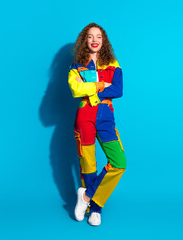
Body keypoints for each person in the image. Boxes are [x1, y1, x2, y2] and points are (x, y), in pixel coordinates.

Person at [67, 23, 126, 226]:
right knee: (88, 164)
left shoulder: (112, 63)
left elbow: (118, 90)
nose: (94, 40)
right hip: (85, 116)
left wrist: (90, 89)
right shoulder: (77, 64)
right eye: (90, 36)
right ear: (85, 40)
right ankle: (95, 210)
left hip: (106, 116)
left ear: (104, 40)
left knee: (119, 162)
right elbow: (76, 90)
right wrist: (101, 86)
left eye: (99, 37)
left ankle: (87, 197)